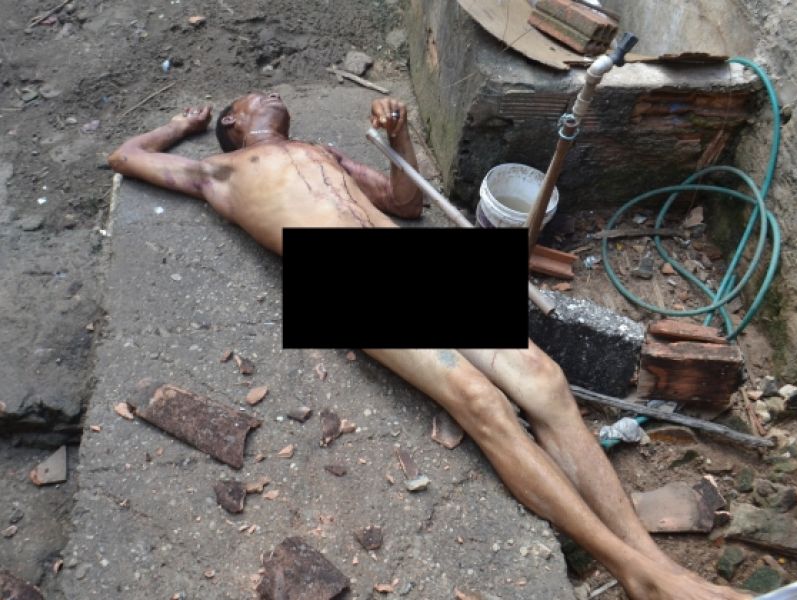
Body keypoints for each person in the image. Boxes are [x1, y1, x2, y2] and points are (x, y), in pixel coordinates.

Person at [108, 92, 748, 600]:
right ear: (233, 123)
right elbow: (124, 155)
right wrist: (179, 125)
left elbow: (405, 202)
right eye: (255, 97)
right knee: (481, 401)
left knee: (547, 382)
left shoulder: (324, 152)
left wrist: (400, 138)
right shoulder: (215, 172)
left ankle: (663, 568)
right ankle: (635, 574)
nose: (272, 96)